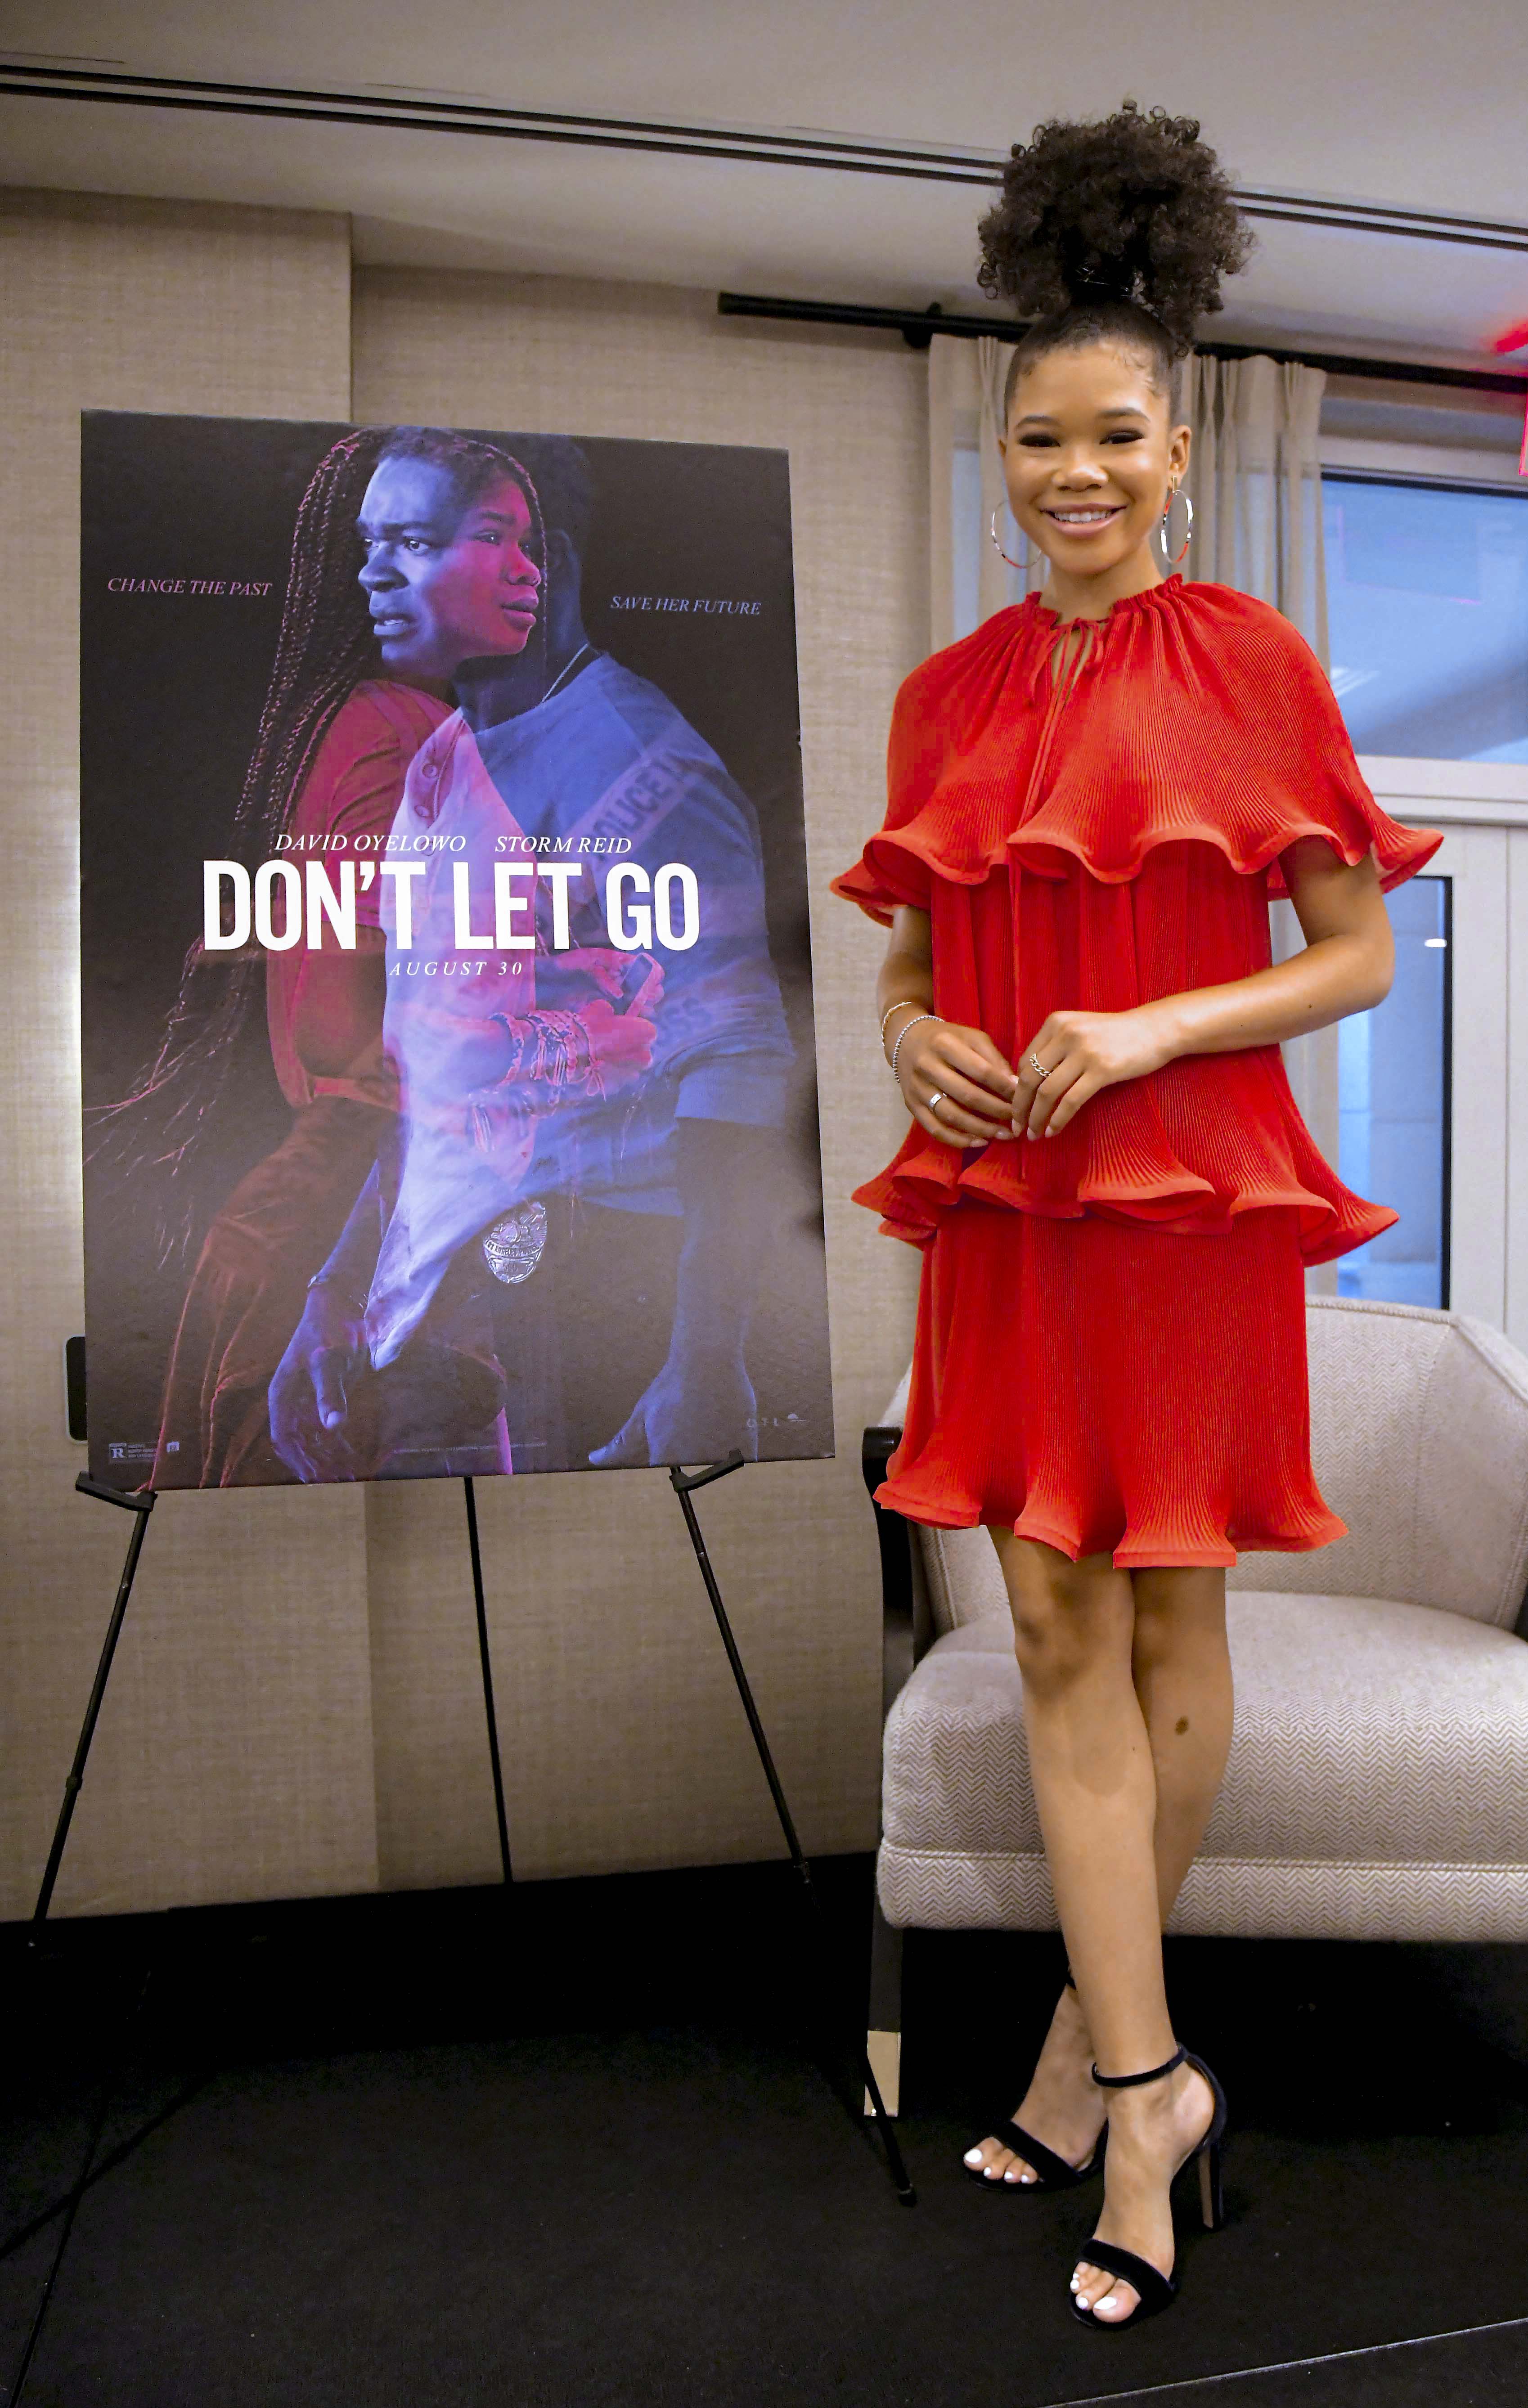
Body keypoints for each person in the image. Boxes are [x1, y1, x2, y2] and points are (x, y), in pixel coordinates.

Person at [832, 102, 1441, 2330]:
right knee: (1057, 1637)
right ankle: (1145, 2068)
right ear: (998, 454)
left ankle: (1097, 2069)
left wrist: (1157, 1022)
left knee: (1172, 1641)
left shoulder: (1256, 665)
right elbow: (910, 957)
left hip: (1182, 1215)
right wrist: (910, 1040)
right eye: (1032, 441)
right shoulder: (942, 699)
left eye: (1111, 440)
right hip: (1001, 1211)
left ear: (1176, 454)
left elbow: (1353, 949)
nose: (1068, 475)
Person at [270, 433, 794, 1480]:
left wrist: (704, 1352)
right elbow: (443, 1075)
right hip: (493, 1264)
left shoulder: (636, 764)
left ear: (534, 557)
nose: (372, 572)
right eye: (372, 543)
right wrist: (337, 1292)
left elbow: (743, 1063)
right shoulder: (443, 759)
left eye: (414, 541)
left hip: (626, 1286)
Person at [145, 426, 643, 1484]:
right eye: (488, 537)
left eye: (531, 542)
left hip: (372, 1232)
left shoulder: (412, 728)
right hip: (356, 1247)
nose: (528, 568)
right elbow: (354, 1033)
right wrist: (587, 1025)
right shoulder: (399, 740)